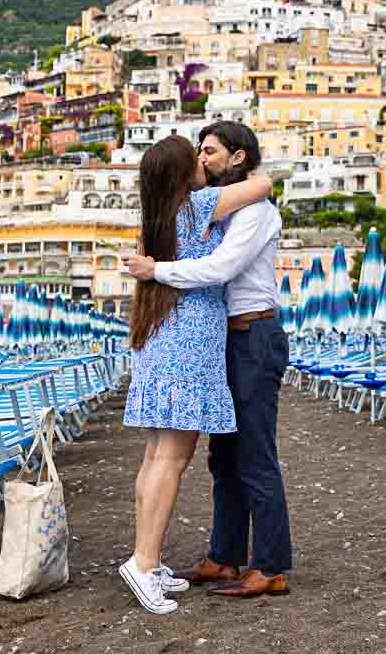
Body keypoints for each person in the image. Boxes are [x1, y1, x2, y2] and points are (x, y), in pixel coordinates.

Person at [122, 122, 293, 600]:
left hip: (250, 333)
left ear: (236, 158)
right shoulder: (202, 208)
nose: (203, 157)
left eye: (211, 151)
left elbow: (220, 268)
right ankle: (221, 555)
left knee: (253, 453)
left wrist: (155, 269)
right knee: (221, 457)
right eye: (197, 152)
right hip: (211, 340)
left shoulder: (247, 208)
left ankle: (270, 564)